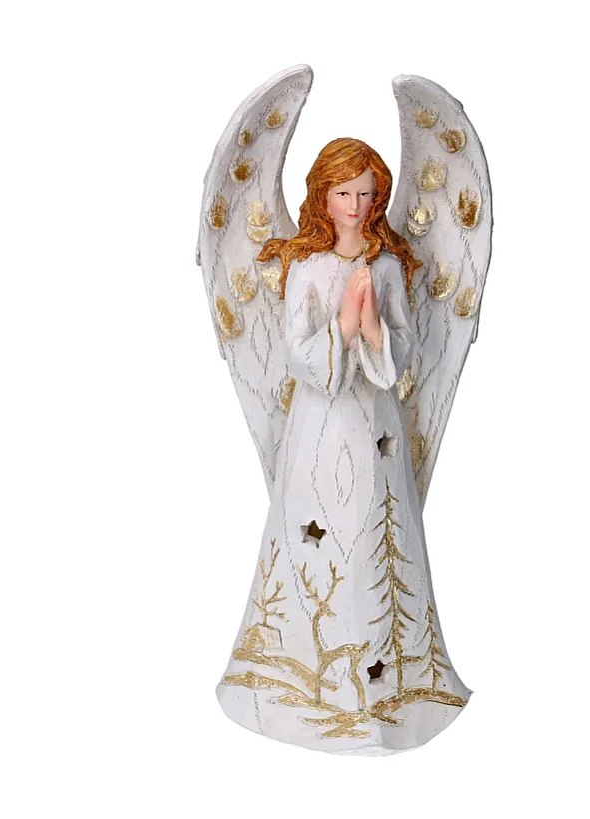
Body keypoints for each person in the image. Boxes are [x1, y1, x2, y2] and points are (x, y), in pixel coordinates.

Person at [216, 138, 471, 755]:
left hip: (376, 426)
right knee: (320, 528)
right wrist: (345, 327)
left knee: (371, 526)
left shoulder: (386, 266)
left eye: (365, 193)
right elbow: (297, 352)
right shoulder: (306, 268)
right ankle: (306, 674)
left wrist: (376, 328)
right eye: (343, 193)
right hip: (321, 425)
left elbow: (405, 349)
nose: (355, 206)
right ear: (322, 197)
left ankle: (384, 680)